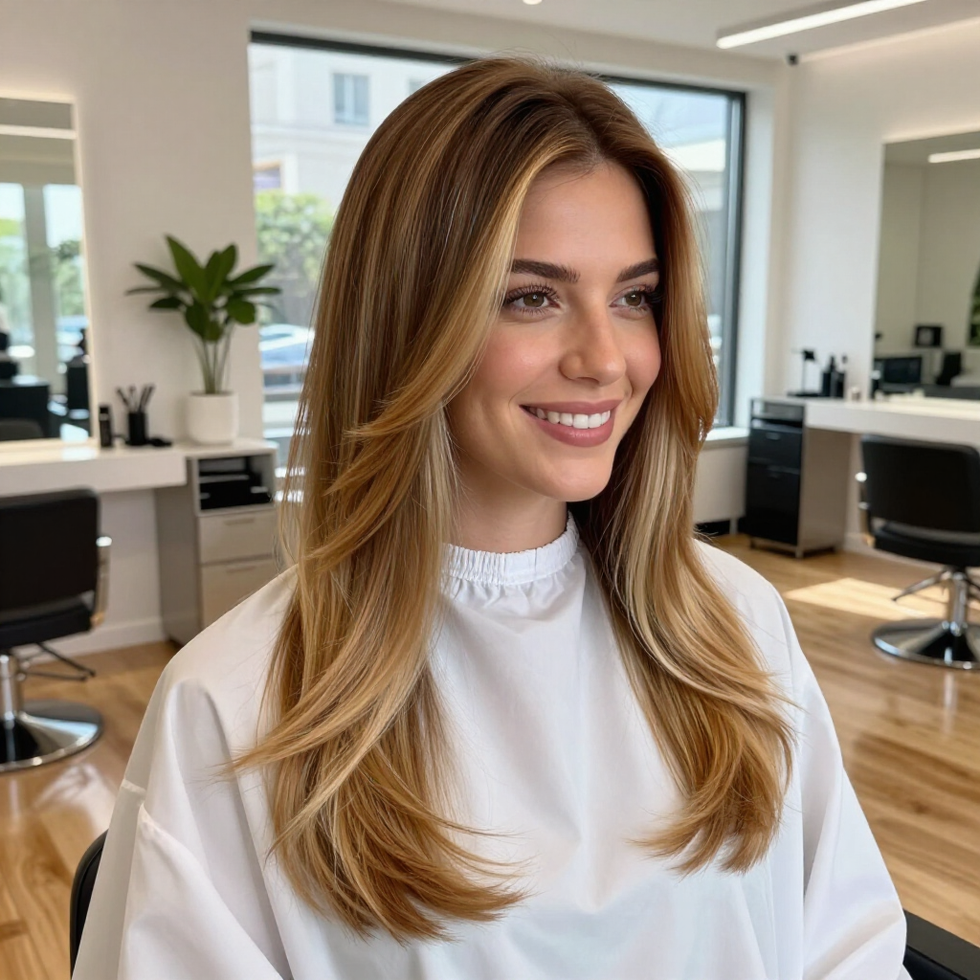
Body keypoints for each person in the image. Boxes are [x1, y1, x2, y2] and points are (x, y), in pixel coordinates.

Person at [73, 58, 910, 980]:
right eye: (531, 297)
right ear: (409, 323)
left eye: (635, 297)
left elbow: (847, 942)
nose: (606, 358)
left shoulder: (739, 626)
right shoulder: (236, 704)